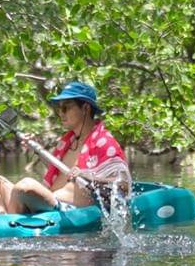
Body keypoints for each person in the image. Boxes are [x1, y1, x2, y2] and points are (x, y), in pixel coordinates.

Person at [7, 81, 131, 214]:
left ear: (85, 108)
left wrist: (88, 176)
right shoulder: (69, 141)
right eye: (59, 108)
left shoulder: (104, 142)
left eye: (66, 107)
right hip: (51, 202)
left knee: (24, 186)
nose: (61, 113)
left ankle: (9, 228)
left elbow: (123, 186)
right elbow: (58, 172)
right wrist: (36, 149)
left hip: (71, 212)